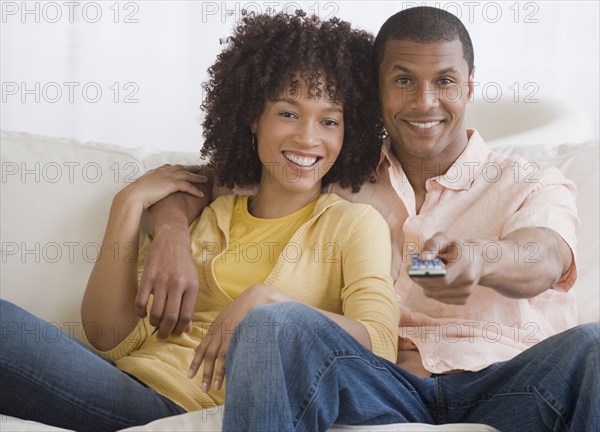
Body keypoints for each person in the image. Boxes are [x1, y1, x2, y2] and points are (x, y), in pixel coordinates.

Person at [141, 6, 600, 432]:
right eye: (403, 81)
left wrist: (483, 259)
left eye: (445, 81)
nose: (425, 102)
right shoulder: (335, 172)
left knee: (594, 345)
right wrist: (170, 234)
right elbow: (197, 184)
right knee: (273, 322)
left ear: (470, 85)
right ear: (376, 90)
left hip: (508, 379)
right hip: (378, 382)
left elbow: (543, 255)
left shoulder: (530, 181)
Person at [0, 11, 400, 432]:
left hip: (183, 407)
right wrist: (127, 204)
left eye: (329, 121)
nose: (307, 137)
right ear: (252, 117)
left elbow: (381, 344)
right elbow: (110, 337)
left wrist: (273, 302)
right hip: (125, 386)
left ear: (347, 134)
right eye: (288, 113)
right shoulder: (211, 215)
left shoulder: (353, 225)